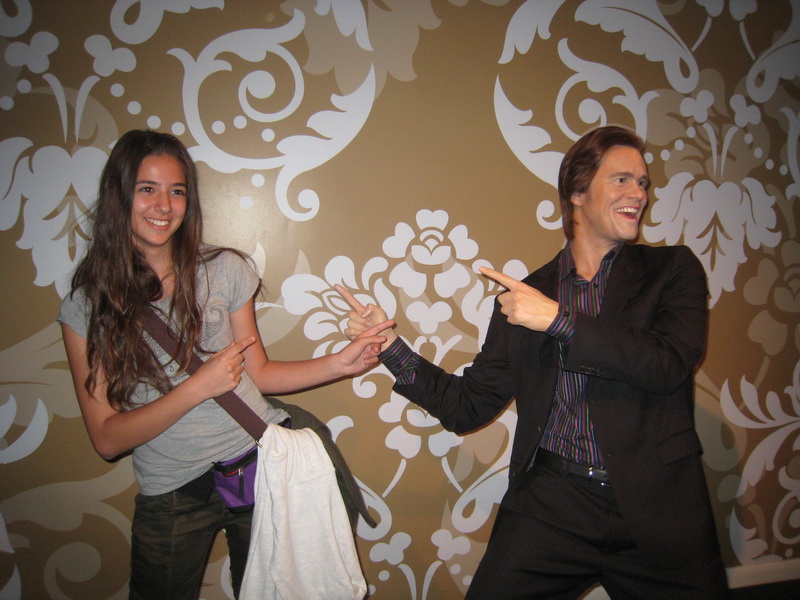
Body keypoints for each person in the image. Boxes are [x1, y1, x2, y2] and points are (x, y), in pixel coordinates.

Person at [339, 126, 730, 599]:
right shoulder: (524, 298)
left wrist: (559, 321)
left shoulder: (673, 270)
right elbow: (468, 407)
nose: (639, 194)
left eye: (643, 183)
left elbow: (667, 364)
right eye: (622, 180)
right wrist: (390, 347)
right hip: (553, 504)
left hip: (658, 503)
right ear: (577, 192)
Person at [58, 129, 391, 600]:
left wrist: (340, 364)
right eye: (147, 189)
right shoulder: (86, 306)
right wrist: (198, 387)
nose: (163, 206)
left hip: (260, 467)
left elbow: (260, 372)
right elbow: (106, 438)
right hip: (173, 491)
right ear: (120, 195)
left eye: (177, 191)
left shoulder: (225, 269)